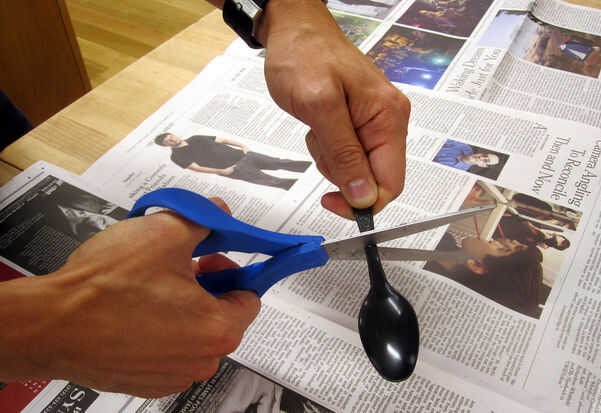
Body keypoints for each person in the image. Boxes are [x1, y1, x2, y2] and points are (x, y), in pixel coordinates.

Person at [0, 0, 410, 398]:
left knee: (15, 149)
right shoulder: (182, 155)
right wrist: (51, 331)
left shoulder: (193, 138)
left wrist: (290, 10)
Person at [425, 232, 545, 318]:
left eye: (504, 249)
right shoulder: (447, 240)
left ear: (477, 266)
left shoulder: (428, 280)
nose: (497, 241)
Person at [155, 133, 311, 190]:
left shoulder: (195, 138)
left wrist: (243, 146)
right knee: (273, 181)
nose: (171, 140)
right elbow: (196, 168)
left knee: (282, 163)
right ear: (165, 146)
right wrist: (221, 171)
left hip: (247, 156)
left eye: (170, 136)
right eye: (167, 141)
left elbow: (222, 140)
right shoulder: (176, 156)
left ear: (174, 134)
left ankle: (314, 171)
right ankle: (305, 191)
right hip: (235, 168)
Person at [433, 139, 499, 171]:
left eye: (485, 161)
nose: (481, 158)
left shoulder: (459, 171)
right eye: (484, 155)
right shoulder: (465, 147)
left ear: (482, 165)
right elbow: (442, 139)